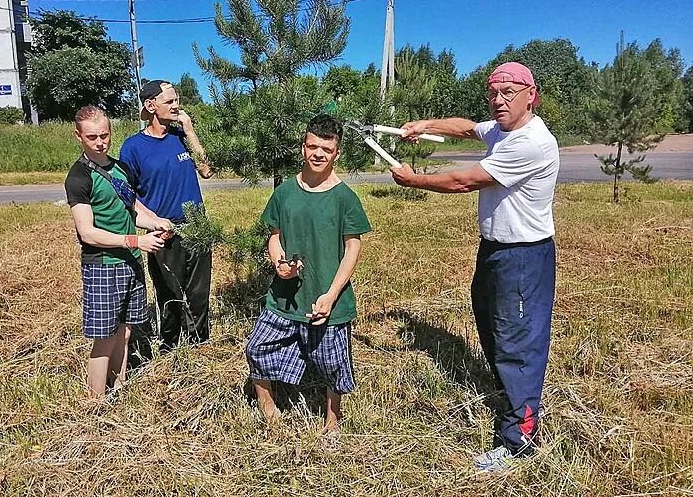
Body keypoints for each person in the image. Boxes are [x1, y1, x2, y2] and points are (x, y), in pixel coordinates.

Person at [390, 62, 559, 471]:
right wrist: (424, 125)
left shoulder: (531, 143)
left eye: (508, 94)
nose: (498, 102)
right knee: (492, 327)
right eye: (493, 94)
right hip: (494, 252)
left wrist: (414, 181)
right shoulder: (502, 129)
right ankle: (510, 394)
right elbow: (468, 128)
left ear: (530, 96)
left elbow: (464, 181)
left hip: (523, 257)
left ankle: (520, 437)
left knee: (517, 343)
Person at [245, 114, 372, 439]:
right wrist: (279, 264)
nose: (318, 154)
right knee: (257, 350)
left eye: (326, 149)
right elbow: (274, 236)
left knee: (333, 366)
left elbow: (352, 250)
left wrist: (331, 295)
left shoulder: (345, 198)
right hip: (285, 297)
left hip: (327, 299)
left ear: (337, 153)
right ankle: (269, 410)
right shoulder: (286, 192)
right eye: (312, 146)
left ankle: (333, 419)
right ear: (303, 147)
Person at [64, 105, 172, 397]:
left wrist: (157, 221)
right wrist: (135, 241)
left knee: (124, 333)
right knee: (104, 339)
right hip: (103, 265)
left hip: (130, 262)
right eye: (92, 137)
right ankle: (95, 403)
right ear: (79, 137)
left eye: (105, 135)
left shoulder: (119, 168)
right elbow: (87, 232)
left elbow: (134, 209)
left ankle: (119, 388)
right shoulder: (79, 178)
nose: (100, 142)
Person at [119, 79, 214, 350]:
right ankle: (171, 344)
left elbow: (207, 170)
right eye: (169, 101)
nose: (176, 106)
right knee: (169, 291)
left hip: (197, 225)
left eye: (177, 100)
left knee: (198, 290)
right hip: (163, 230)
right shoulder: (133, 148)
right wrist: (152, 222)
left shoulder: (180, 136)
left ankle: (199, 343)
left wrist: (190, 131)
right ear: (150, 106)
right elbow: (128, 194)